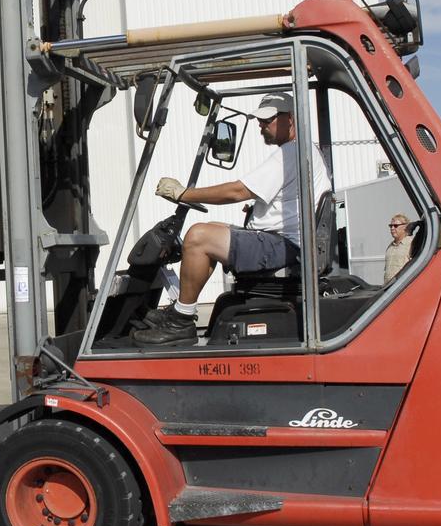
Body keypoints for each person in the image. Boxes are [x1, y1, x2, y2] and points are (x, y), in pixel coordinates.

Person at [138, 91, 330, 346]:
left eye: (268, 119)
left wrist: (184, 193)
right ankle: (181, 310)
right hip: (283, 241)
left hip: (285, 245)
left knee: (197, 237)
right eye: (260, 120)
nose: (262, 125)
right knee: (211, 229)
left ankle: (181, 320)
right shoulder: (301, 152)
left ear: (291, 120)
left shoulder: (291, 153)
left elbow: (237, 191)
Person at [383, 213, 413, 283]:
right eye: (390, 226)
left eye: (395, 226)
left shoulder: (412, 244)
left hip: (403, 288)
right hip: (389, 289)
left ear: (405, 227)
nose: (392, 228)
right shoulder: (390, 246)